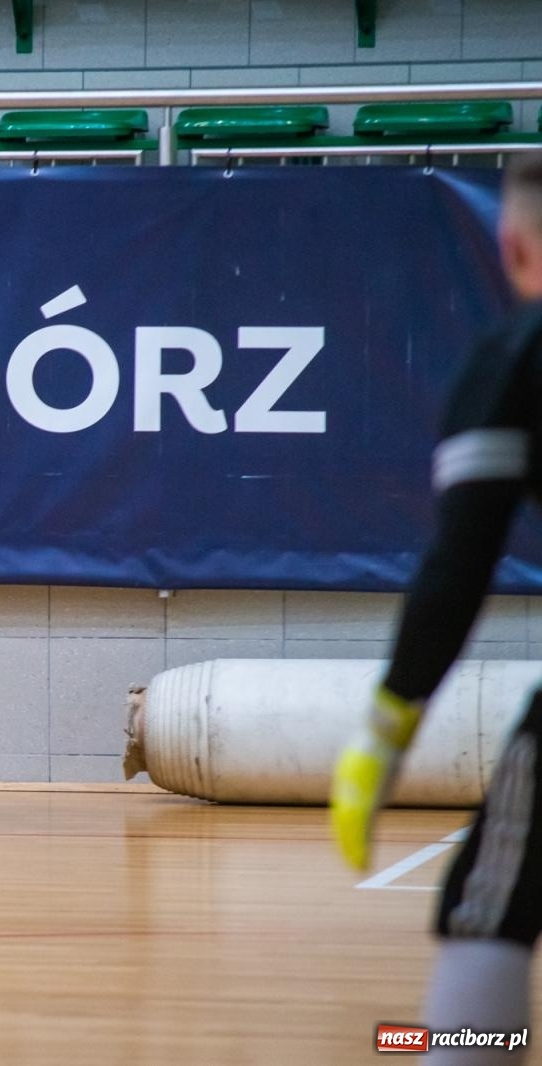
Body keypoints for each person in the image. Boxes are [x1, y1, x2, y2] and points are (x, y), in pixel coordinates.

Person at [330, 150, 542, 1062]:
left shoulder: (516, 357)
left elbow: (460, 565)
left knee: (488, 903)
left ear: (513, 247)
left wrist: (384, 734)